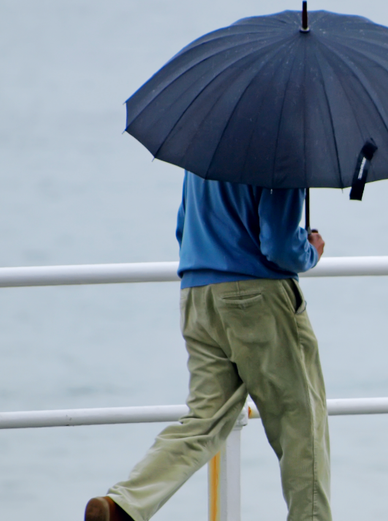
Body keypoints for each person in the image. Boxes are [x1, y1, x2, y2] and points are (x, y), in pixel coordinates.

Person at [85, 172, 329, 521]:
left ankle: (124, 505)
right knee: (301, 426)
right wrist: (310, 250)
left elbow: (184, 227)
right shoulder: (282, 144)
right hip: (258, 295)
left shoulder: (208, 137)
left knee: (203, 420)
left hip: (198, 291)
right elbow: (280, 248)